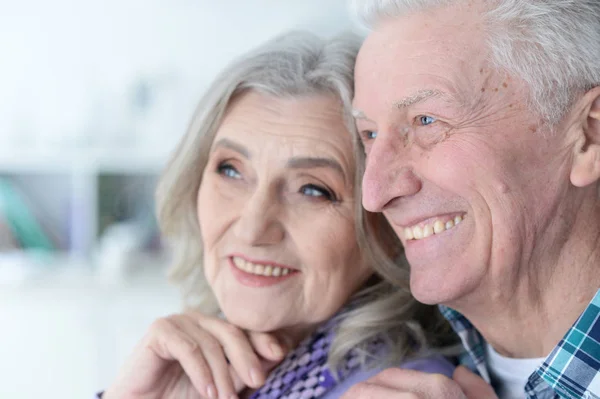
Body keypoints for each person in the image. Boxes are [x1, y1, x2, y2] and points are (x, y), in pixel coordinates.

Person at [100, 31, 456, 399]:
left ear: (384, 227)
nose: (253, 229)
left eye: (313, 190)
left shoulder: (402, 389)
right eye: (231, 171)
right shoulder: (193, 372)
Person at [344, 1, 600, 398]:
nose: (374, 194)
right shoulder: (390, 358)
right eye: (370, 134)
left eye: (426, 121)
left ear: (589, 136)